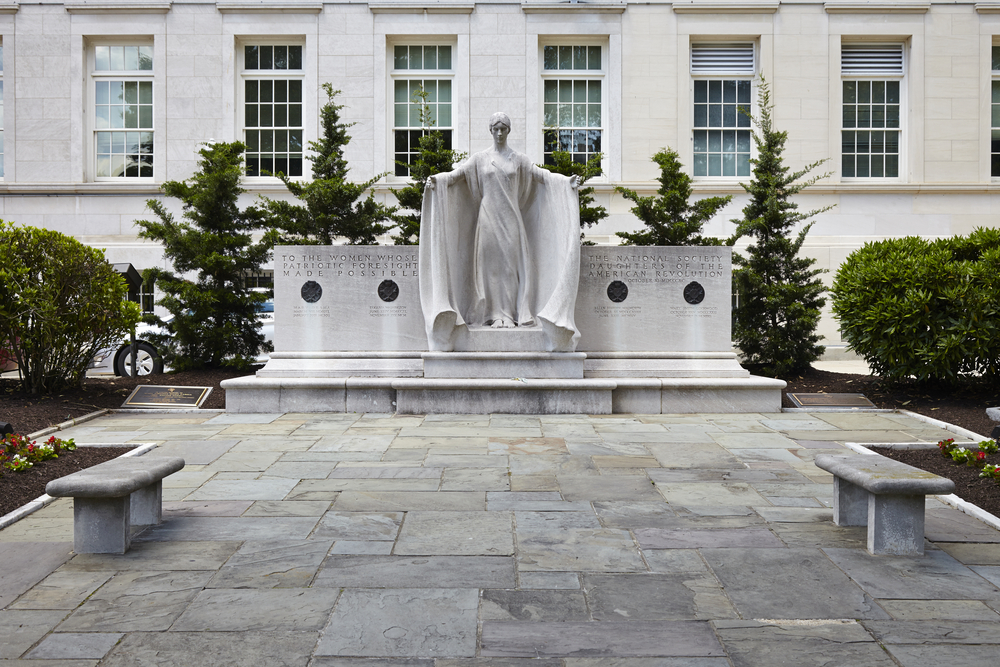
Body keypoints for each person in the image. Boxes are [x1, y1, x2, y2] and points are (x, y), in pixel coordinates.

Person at [419, 112, 582, 352]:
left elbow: (542, 176)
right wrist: (437, 180)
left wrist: (566, 182)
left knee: (510, 269)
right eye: (495, 128)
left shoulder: (519, 160)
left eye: (503, 128)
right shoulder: (479, 159)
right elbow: (456, 176)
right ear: (490, 130)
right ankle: (493, 315)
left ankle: (512, 315)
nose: (499, 132)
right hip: (487, 220)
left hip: (512, 220)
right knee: (490, 268)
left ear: (508, 130)